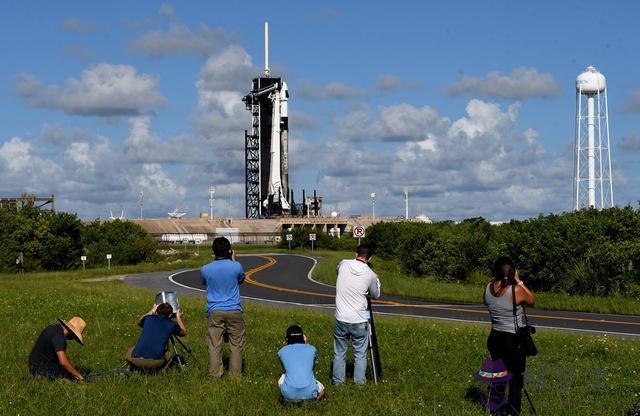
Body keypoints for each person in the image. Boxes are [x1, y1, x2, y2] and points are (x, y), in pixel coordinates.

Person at [484, 256, 536, 415]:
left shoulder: (487, 287)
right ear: (513, 271)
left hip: (494, 337)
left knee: (498, 375)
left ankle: (495, 409)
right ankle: (513, 412)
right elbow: (532, 301)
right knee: (515, 380)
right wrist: (519, 281)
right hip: (512, 340)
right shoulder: (516, 290)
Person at [332, 244, 381, 385]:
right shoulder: (371, 275)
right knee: (360, 353)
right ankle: (359, 383)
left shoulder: (343, 264)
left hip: (341, 318)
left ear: (356, 254)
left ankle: (338, 382)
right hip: (359, 319)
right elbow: (376, 295)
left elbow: (338, 271)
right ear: (370, 258)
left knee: (339, 353)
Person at [200, 236, 246, 378]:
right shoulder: (236, 266)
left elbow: (204, 283)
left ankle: (215, 375)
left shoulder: (205, 269)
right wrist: (233, 260)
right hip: (234, 309)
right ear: (229, 250)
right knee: (236, 344)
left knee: (214, 344)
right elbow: (241, 279)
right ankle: (235, 375)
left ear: (213, 251)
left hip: (214, 309)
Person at [126, 302, 186, 372]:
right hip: (155, 363)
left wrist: (151, 311)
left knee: (131, 349)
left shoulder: (148, 318)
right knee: (169, 355)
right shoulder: (171, 324)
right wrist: (178, 317)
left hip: (136, 360)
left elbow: (139, 322)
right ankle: (161, 371)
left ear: (157, 311)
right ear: (170, 315)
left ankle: (133, 368)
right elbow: (183, 332)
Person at [277, 325, 325, 402]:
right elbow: (312, 367)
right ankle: (314, 401)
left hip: (289, 394)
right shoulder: (312, 349)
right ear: (303, 337)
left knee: (282, 376)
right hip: (310, 393)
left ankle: (287, 398)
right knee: (322, 387)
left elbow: (285, 370)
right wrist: (306, 344)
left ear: (287, 338)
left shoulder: (281, 352)